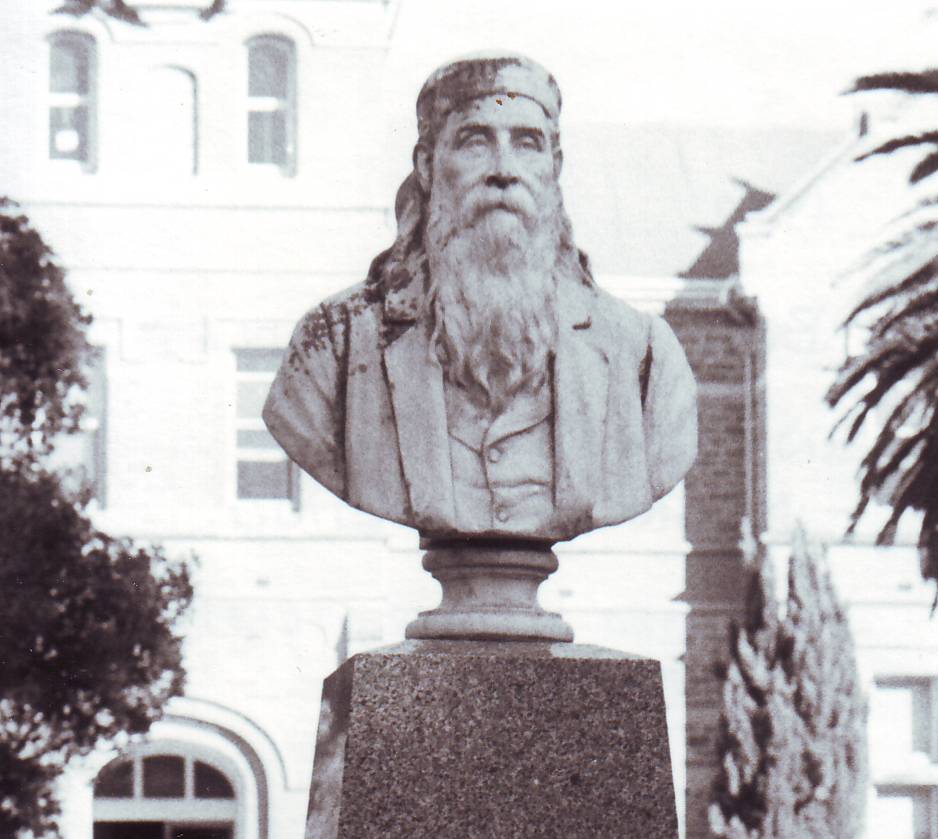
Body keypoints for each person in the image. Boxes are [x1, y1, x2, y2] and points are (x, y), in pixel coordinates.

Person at [263, 53, 697, 542]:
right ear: (428, 165)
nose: (503, 171)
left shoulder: (641, 355)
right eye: (475, 142)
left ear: (553, 168)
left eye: (527, 145)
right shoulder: (334, 345)